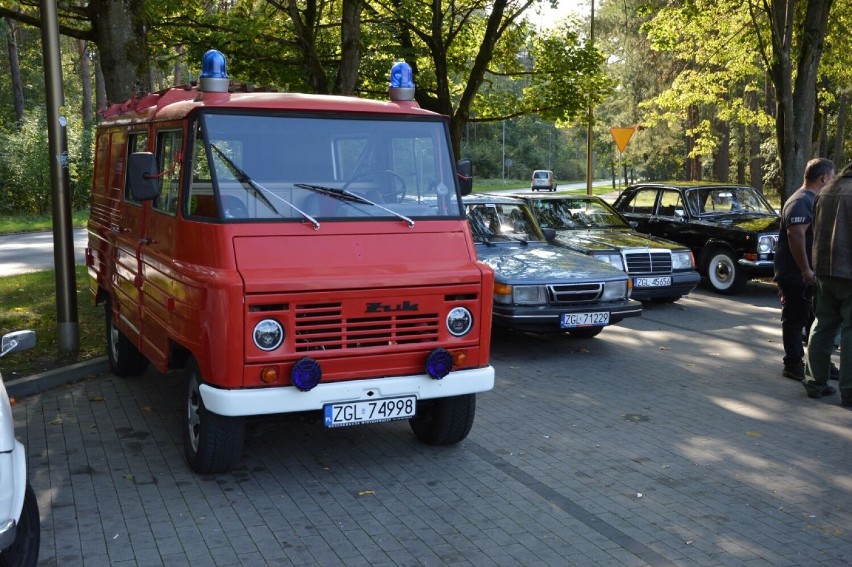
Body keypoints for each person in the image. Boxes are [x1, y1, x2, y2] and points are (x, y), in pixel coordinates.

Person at [774, 158, 835, 380]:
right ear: (824, 177)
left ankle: (819, 364)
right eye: (833, 176)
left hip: (810, 273)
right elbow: (796, 234)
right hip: (795, 274)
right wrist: (806, 269)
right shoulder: (800, 201)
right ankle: (792, 363)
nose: (834, 180)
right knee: (795, 318)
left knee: (816, 320)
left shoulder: (814, 199)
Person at [803, 163, 852, 404]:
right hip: (848, 272)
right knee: (849, 331)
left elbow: (815, 229)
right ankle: (849, 390)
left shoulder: (826, 191)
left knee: (822, 325)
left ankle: (814, 381)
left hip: (824, 269)